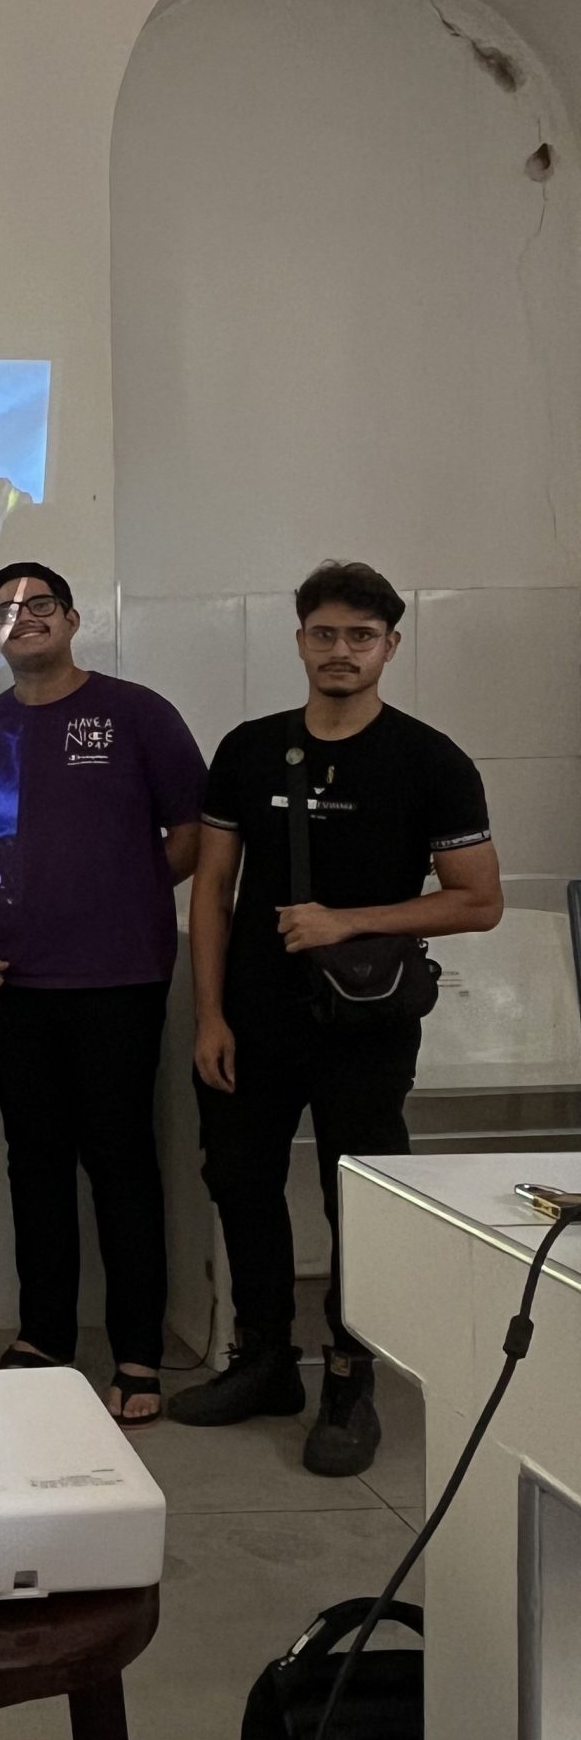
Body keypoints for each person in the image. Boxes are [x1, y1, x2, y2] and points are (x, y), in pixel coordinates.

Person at [172, 561, 502, 1475]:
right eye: (325, 633)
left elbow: (478, 900)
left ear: (390, 646)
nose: (341, 651)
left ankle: (351, 1383)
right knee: (239, 1178)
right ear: (300, 641)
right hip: (252, 1015)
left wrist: (348, 919)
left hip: (365, 1021)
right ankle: (265, 1359)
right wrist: (208, 1015)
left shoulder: (430, 760)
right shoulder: (249, 749)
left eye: (361, 636)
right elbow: (212, 890)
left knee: (356, 1195)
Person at [0, 564, 205, 1424]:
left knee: (122, 1161)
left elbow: (193, 832)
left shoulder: (137, 714)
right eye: (6, 610)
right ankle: (44, 1335)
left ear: (73, 619)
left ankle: (137, 1354)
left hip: (120, 982)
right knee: (34, 1160)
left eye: (40, 604)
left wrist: (125, 892)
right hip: (9, 985)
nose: (24, 619)